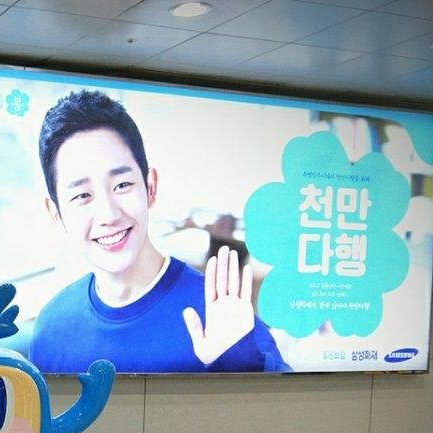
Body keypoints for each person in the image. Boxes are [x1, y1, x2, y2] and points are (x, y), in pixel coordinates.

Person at [29, 90, 288, 374]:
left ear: (150, 187)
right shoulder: (50, 330)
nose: (109, 215)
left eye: (122, 185)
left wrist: (237, 360)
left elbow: (290, 401)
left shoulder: (221, 311)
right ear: (56, 213)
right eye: (82, 196)